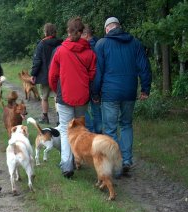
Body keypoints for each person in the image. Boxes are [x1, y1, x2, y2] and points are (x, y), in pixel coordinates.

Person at [93, 17, 152, 174]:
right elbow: (144, 67)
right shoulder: (135, 43)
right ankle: (126, 160)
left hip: (109, 93)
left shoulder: (101, 44)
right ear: (119, 27)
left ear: (107, 29)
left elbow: (98, 72)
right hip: (129, 91)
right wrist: (145, 89)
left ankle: (116, 165)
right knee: (126, 124)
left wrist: (95, 93)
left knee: (110, 129)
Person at [48, 17, 96, 178]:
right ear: (82, 33)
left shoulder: (60, 51)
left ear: (68, 32)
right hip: (82, 97)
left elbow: (52, 76)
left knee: (64, 128)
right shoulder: (90, 53)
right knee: (80, 129)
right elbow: (92, 75)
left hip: (65, 95)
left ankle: (67, 165)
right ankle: (80, 159)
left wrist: (57, 91)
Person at [30, 23, 63, 124]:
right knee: (56, 96)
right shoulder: (60, 43)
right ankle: (59, 118)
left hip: (45, 76)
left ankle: (45, 117)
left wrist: (33, 74)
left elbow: (37, 60)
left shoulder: (42, 44)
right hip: (57, 75)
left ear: (45, 32)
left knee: (44, 97)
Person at [81, 24, 102, 134]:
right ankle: (98, 132)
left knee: (82, 110)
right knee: (96, 110)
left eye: (81, 35)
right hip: (97, 84)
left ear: (86, 35)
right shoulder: (100, 45)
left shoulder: (88, 48)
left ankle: (92, 131)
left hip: (88, 83)